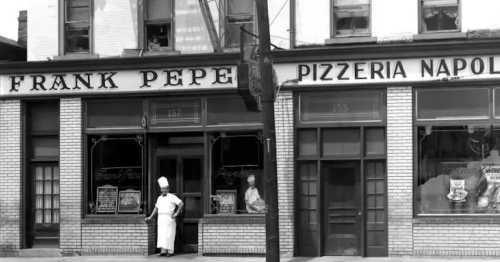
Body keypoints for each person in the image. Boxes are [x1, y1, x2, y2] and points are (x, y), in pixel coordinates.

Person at [145, 177, 184, 257]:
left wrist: (176, 213)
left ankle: (170, 251)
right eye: (162, 189)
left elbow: (181, 203)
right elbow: (156, 208)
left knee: (169, 234)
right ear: (161, 189)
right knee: (162, 234)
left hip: (169, 218)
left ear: (168, 189)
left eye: (165, 188)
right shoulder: (159, 198)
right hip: (161, 218)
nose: (164, 190)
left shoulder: (172, 196)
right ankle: (163, 251)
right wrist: (150, 217)